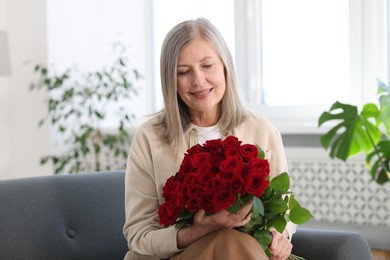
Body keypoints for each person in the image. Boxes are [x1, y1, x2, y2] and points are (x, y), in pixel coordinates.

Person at [123, 17, 296, 260]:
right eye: (184, 72)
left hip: (250, 251)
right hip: (178, 256)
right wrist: (198, 231)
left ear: (225, 66)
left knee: (235, 243)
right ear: (170, 80)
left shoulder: (262, 130)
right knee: (227, 240)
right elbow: (139, 237)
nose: (198, 81)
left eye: (207, 66)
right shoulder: (149, 137)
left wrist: (280, 236)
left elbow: (283, 211)